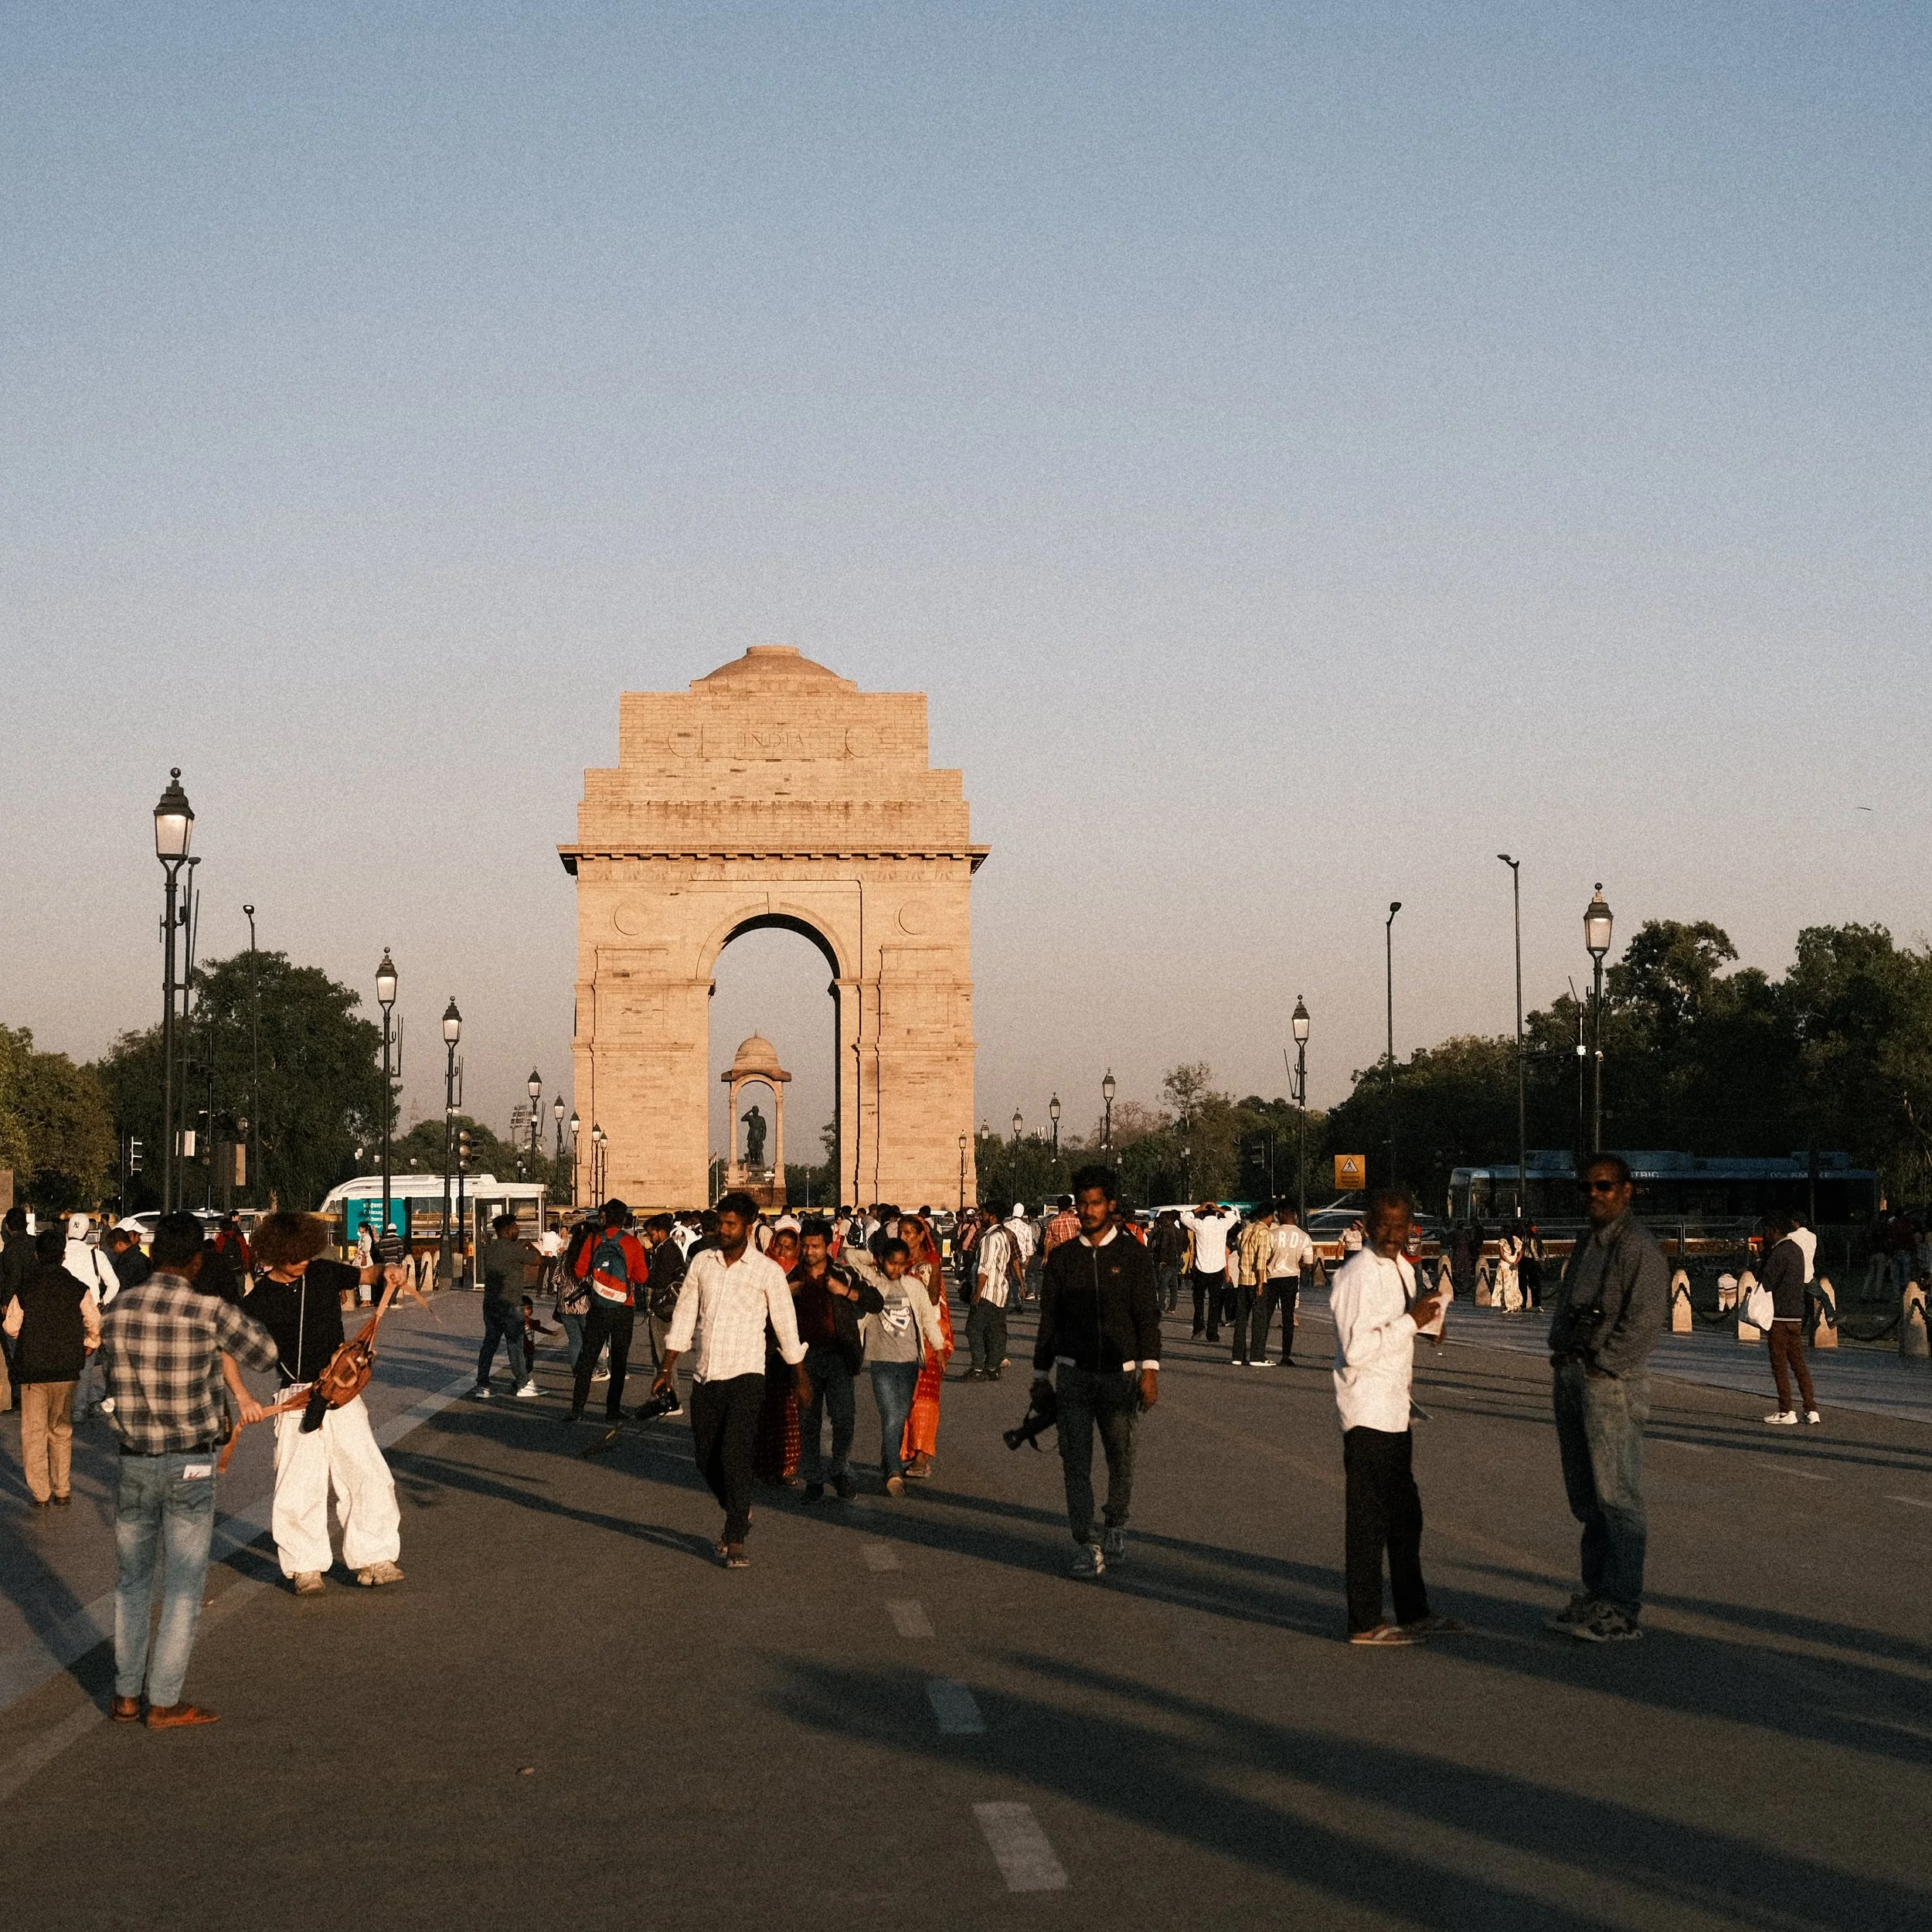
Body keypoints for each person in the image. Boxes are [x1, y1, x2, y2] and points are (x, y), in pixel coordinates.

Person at [97, 1210, 281, 1726]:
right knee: (182, 1583)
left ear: (152, 1255)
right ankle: (164, 1700)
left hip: (133, 1460)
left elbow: (106, 1374)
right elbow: (266, 1354)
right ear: (197, 1262)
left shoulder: (118, 1310)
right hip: (191, 1462)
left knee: (132, 1579)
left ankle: (126, 1693)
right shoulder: (208, 1311)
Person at [1330, 1189, 1466, 1645]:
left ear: (1412, 1226)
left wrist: (1429, 1325)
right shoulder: (1357, 1274)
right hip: (1366, 1412)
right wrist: (1411, 1322)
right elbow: (1356, 1350)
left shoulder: (1404, 1269)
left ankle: (1413, 1611)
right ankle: (1364, 1620)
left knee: (1406, 1518)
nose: (1393, 1234)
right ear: (1367, 1225)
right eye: (1384, 1224)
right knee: (1368, 1522)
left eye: (1401, 1224)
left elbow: (1405, 1323)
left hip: (1395, 1410)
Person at [1545, 1152, 1670, 1644]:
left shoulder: (1639, 1248)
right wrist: (1560, 1350)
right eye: (1587, 1188)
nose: (1594, 1196)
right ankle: (1597, 1595)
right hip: (1573, 1372)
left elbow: (1644, 1321)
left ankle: (1622, 1607)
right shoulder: (1587, 1241)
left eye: (1603, 1187)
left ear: (1626, 1191)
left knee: (1618, 1497)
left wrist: (1604, 1363)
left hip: (1610, 1383)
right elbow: (1569, 1301)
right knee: (1588, 1497)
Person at [246, 1211, 403, 1595]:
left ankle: (376, 1557)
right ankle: (304, 1567)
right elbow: (225, 1345)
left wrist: (390, 1271)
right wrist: (241, 1395)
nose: (302, 1261)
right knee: (298, 1485)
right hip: (295, 1396)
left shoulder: (324, 1273)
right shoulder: (259, 1298)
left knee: (367, 1473)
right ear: (274, 1254)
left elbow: (369, 1274)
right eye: (293, 1255)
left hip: (342, 1391)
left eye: (306, 1253)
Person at [652, 1192, 809, 1567]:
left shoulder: (767, 1271)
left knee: (736, 1455)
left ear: (749, 1226)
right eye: (720, 1223)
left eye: (730, 1224)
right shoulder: (702, 1263)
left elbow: (786, 1324)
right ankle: (738, 1509)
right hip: (706, 1375)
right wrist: (665, 1369)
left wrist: (799, 1374)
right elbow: (686, 1315)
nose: (722, 1230)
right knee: (705, 1459)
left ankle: (736, 1534)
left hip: (748, 1375)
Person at [1032, 1166, 1161, 1577]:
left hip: (1120, 1377)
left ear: (1111, 1205)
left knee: (1121, 1457)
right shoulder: (1064, 1259)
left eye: (1095, 1203)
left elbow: (1147, 1318)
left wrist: (1150, 1371)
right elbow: (1048, 1321)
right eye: (1082, 1203)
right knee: (1075, 1462)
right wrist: (1040, 1376)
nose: (1087, 1211)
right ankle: (1085, 1541)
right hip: (1073, 1376)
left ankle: (1116, 1522)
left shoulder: (1134, 1255)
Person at [4, 1224, 100, 1505]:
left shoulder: (26, 1288)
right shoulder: (77, 1288)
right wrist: (91, 1343)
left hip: (33, 1370)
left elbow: (11, 1326)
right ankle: (62, 1489)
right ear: (62, 1256)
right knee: (61, 1429)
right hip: (67, 1369)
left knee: (34, 1433)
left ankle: (42, 1493)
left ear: (36, 1255)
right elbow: (94, 1321)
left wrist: (30, 1334)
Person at [860, 1235, 946, 1496]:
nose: (895, 1269)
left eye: (901, 1264)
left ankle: (888, 1464)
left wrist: (939, 1348)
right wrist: (872, 1260)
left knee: (898, 1414)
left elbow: (929, 1319)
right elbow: (851, 1259)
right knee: (892, 1415)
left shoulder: (915, 1287)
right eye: (891, 1263)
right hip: (882, 1360)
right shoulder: (873, 1284)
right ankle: (895, 1470)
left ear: (907, 1264)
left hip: (909, 1361)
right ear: (882, 1261)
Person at [791, 1216, 866, 1500]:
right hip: (804, 1360)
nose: (809, 1252)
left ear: (828, 1246)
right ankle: (812, 1477)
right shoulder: (792, 1278)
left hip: (838, 1357)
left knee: (844, 1419)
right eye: (805, 1246)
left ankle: (839, 1468)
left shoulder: (844, 1274)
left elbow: (874, 1301)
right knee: (808, 1422)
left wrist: (845, 1291)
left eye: (815, 1246)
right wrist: (789, 1292)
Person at [568, 1200, 651, 1423]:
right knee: (619, 1361)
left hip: (598, 1307)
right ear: (624, 1219)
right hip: (624, 1307)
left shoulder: (594, 1240)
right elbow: (643, 1277)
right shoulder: (632, 1243)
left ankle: (577, 1410)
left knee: (588, 1358)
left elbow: (579, 1271)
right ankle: (612, 1410)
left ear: (605, 1217)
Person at [897, 1213, 954, 1478]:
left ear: (921, 1236)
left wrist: (931, 1273)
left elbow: (933, 1302)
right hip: (900, 1339)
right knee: (901, 1399)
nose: (903, 1237)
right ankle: (901, 1453)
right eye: (901, 1232)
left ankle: (921, 1457)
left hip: (931, 1340)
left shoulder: (929, 1263)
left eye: (909, 1233)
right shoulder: (897, 1263)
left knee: (924, 1398)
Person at [753, 1226, 804, 1485]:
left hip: (788, 1348)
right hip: (761, 1345)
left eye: (789, 1246)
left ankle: (785, 1466)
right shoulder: (759, 1268)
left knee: (787, 1410)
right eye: (780, 1245)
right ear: (772, 1244)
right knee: (761, 1408)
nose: (783, 1251)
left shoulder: (802, 1272)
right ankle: (761, 1464)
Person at [1760, 1213, 1821, 1427]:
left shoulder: (1780, 1252)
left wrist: (1763, 1258)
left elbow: (1766, 1282)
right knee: (1799, 1364)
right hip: (1797, 1315)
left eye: (1766, 1231)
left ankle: (1786, 1409)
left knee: (1780, 1365)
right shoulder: (1797, 1250)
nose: (1764, 1235)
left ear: (1776, 1230)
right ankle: (1811, 1408)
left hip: (1779, 1316)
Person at [475, 1213, 536, 1400]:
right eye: (516, 1227)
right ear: (508, 1230)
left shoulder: (490, 1249)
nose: (518, 1230)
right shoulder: (513, 1249)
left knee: (490, 1344)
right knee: (515, 1344)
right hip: (511, 1304)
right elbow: (537, 1260)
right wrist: (529, 1246)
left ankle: (482, 1385)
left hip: (491, 1303)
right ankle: (523, 1382)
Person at [965, 1206, 1019, 1381]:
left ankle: (978, 1368)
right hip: (1000, 1292)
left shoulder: (989, 1238)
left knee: (973, 1329)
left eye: (984, 1214)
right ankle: (993, 1367)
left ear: (993, 1217)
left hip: (987, 1292)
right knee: (995, 1330)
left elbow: (985, 1267)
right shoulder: (1004, 1236)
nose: (981, 1217)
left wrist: (977, 1292)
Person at [1260, 1202, 1315, 1366]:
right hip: (1291, 1276)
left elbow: (1265, 1257)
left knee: (1266, 1315)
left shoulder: (1272, 1234)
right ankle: (1286, 1355)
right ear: (1295, 1216)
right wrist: (1298, 1263)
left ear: (1282, 1215)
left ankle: (1260, 1351)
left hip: (1272, 1276)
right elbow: (1309, 1263)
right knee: (1288, 1317)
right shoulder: (1304, 1237)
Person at [1180, 1202, 1239, 1342]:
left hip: (1201, 1267)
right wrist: (1219, 1208)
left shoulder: (1199, 1225)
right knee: (1215, 1302)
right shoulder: (1222, 1225)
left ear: (1203, 1213)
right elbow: (1234, 1217)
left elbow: (1184, 1218)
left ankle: (1199, 1325)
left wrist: (1198, 1209)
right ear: (1216, 1214)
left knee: (1198, 1300)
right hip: (1218, 1267)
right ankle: (1212, 1333)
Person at [1231, 1204, 1275, 1366]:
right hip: (1256, 1280)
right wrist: (1261, 1282)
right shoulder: (1264, 1233)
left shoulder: (1247, 1230)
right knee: (1259, 1320)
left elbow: (1241, 1251)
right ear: (1268, 1216)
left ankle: (1238, 1355)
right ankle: (1257, 1356)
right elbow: (1261, 1260)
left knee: (1241, 1319)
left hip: (1243, 1279)